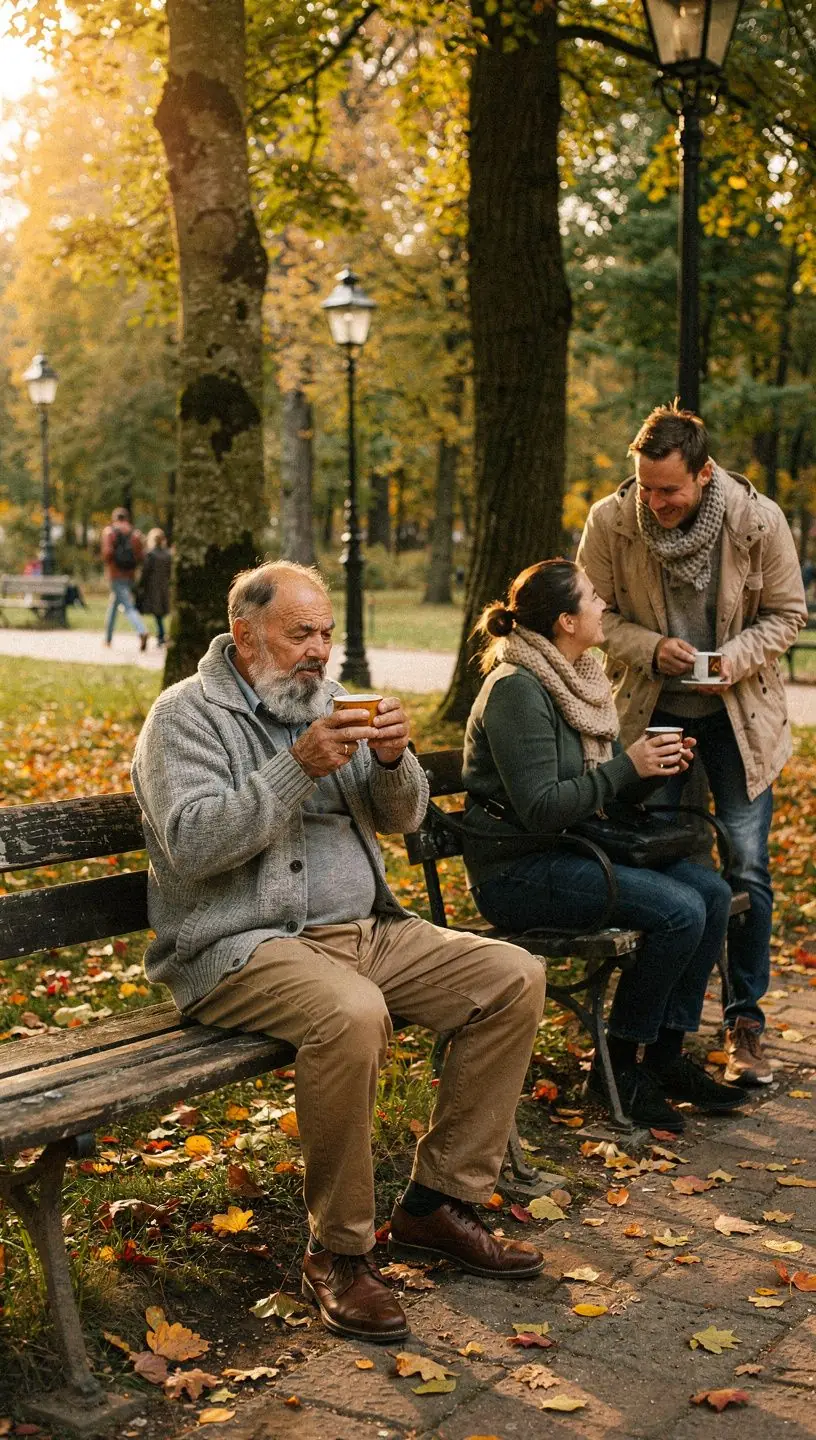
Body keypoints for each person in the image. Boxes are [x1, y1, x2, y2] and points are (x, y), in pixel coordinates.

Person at [131, 560, 547, 1343]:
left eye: (325, 633)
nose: (320, 650)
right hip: (242, 944)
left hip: (366, 931)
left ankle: (437, 1205)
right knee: (352, 1014)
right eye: (301, 634)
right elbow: (192, 844)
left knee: (512, 976)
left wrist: (393, 761)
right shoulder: (185, 717)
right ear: (245, 635)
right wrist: (297, 769)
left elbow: (403, 817)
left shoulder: (329, 701)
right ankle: (339, 1254)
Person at [461, 559, 742, 1134]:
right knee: (679, 909)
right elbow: (542, 807)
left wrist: (652, 767)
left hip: (570, 849)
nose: (602, 606)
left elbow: (600, 787)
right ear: (566, 621)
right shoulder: (517, 689)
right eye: (592, 598)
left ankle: (664, 1057)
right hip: (516, 871)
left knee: (711, 893)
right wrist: (626, 768)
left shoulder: (580, 677)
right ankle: (617, 1066)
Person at [577, 404, 808, 1086]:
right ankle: (654, 1032)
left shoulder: (758, 520)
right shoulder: (610, 521)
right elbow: (592, 616)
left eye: (669, 490)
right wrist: (651, 648)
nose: (654, 502)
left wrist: (735, 657)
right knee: (662, 869)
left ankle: (744, 1024)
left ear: (704, 474)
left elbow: (788, 613)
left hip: (740, 717)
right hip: (652, 717)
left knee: (746, 868)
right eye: (646, 487)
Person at [101, 506, 149, 650]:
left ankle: (142, 630)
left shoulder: (109, 532)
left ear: (114, 518)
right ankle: (108, 639)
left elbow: (107, 553)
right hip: (130, 574)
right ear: (127, 518)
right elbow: (141, 556)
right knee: (114, 605)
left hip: (115, 574)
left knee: (127, 606)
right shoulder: (135, 533)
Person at [137, 528, 172, 646]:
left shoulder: (150, 555)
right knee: (160, 613)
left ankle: (159, 635)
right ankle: (161, 635)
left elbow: (145, 572)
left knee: (156, 613)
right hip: (164, 586)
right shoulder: (168, 555)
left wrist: (140, 586)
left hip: (153, 587)